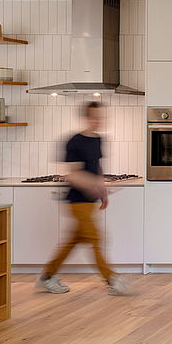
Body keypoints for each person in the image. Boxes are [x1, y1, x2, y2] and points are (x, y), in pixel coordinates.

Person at [35, 101, 130, 296]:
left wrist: (102, 190)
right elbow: (74, 175)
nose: (98, 121)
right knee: (96, 238)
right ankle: (112, 278)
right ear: (86, 118)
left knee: (74, 241)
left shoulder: (98, 140)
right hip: (77, 202)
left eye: (101, 117)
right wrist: (93, 185)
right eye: (94, 117)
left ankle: (47, 276)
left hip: (90, 202)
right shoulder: (74, 142)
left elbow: (97, 167)